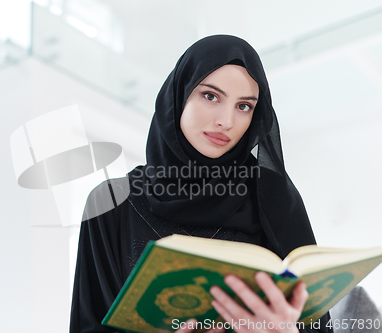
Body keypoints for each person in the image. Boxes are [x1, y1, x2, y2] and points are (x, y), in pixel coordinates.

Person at [69, 35, 332, 333]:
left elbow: (317, 323)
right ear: (179, 95)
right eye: (210, 96)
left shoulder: (273, 197)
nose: (226, 121)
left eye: (244, 106)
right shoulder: (112, 202)